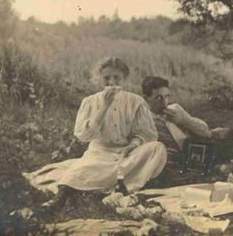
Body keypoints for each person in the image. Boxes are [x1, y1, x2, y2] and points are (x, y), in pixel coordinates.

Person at [33, 57, 167, 210]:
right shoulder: (90, 102)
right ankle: (61, 198)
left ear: (124, 78)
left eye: (117, 77)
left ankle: (111, 187)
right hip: (100, 152)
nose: (112, 82)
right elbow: (83, 135)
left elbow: (145, 134)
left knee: (157, 148)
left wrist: (131, 146)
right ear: (99, 79)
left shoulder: (136, 102)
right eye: (106, 78)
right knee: (86, 167)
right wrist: (104, 107)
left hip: (128, 152)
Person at [141, 76, 230, 170]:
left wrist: (182, 120)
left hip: (197, 155)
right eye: (158, 98)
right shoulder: (142, 121)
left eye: (167, 96)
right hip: (168, 166)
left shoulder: (175, 109)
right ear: (146, 99)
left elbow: (205, 131)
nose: (164, 102)